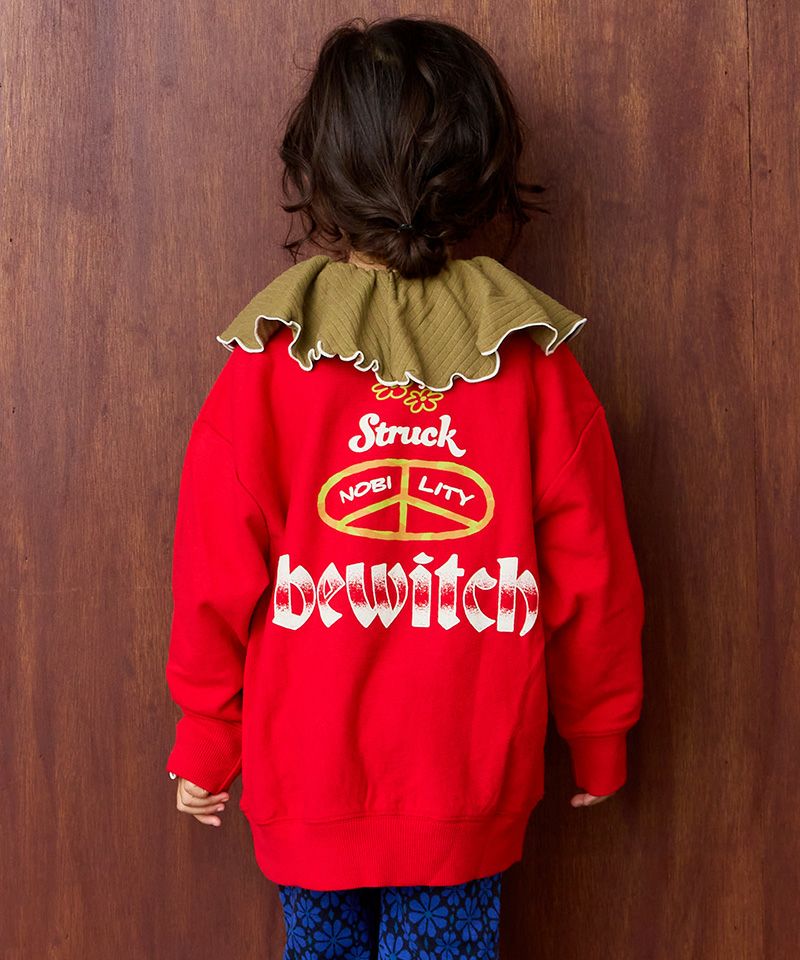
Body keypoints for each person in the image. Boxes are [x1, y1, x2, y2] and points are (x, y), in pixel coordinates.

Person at [163, 15, 644, 960]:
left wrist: (208, 732)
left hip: (307, 781)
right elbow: (593, 573)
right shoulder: (533, 365)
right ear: (481, 167)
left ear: (319, 170)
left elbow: (213, 567)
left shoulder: (270, 363)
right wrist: (599, 730)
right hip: (464, 783)